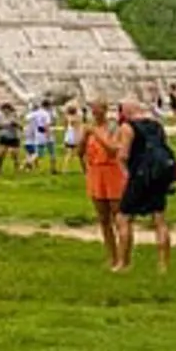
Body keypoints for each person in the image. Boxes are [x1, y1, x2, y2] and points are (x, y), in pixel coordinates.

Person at [115, 102, 175, 274]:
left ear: (126, 112)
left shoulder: (128, 127)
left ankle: (123, 262)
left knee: (124, 217)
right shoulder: (156, 126)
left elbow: (123, 155)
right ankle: (163, 264)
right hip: (158, 175)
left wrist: (126, 173)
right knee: (159, 220)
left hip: (139, 176)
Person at [78, 101, 127, 270]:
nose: (94, 112)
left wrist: (96, 133)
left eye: (97, 108)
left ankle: (123, 258)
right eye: (92, 109)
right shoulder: (88, 128)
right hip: (96, 173)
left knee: (119, 216)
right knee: (103, 219)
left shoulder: (114, 128)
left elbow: (112, 150)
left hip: (113, 173)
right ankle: (111, 256)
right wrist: (83, 138)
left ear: (105, 110)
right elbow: (80, 152)